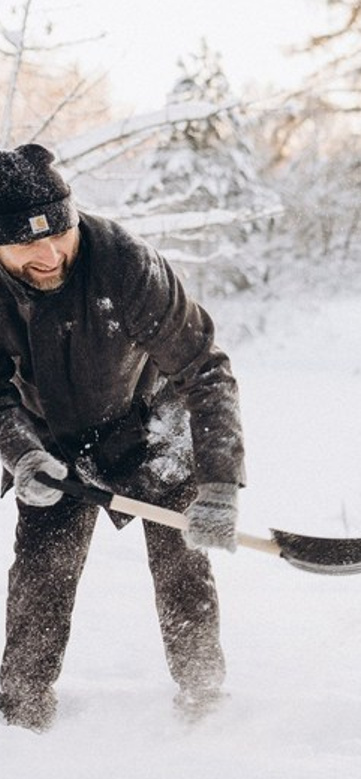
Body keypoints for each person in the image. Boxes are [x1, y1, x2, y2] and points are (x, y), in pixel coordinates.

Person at [0, 143, 246, 732]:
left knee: (182, 566)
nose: (50, 254)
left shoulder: (126, 266)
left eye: (60, 233)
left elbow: (205, 369)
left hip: (150, 426)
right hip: (52, 442)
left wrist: (218, 485)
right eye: (27, 243)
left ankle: (203, 702)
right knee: (40, 574)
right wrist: (22, 454)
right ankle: (20, 717)